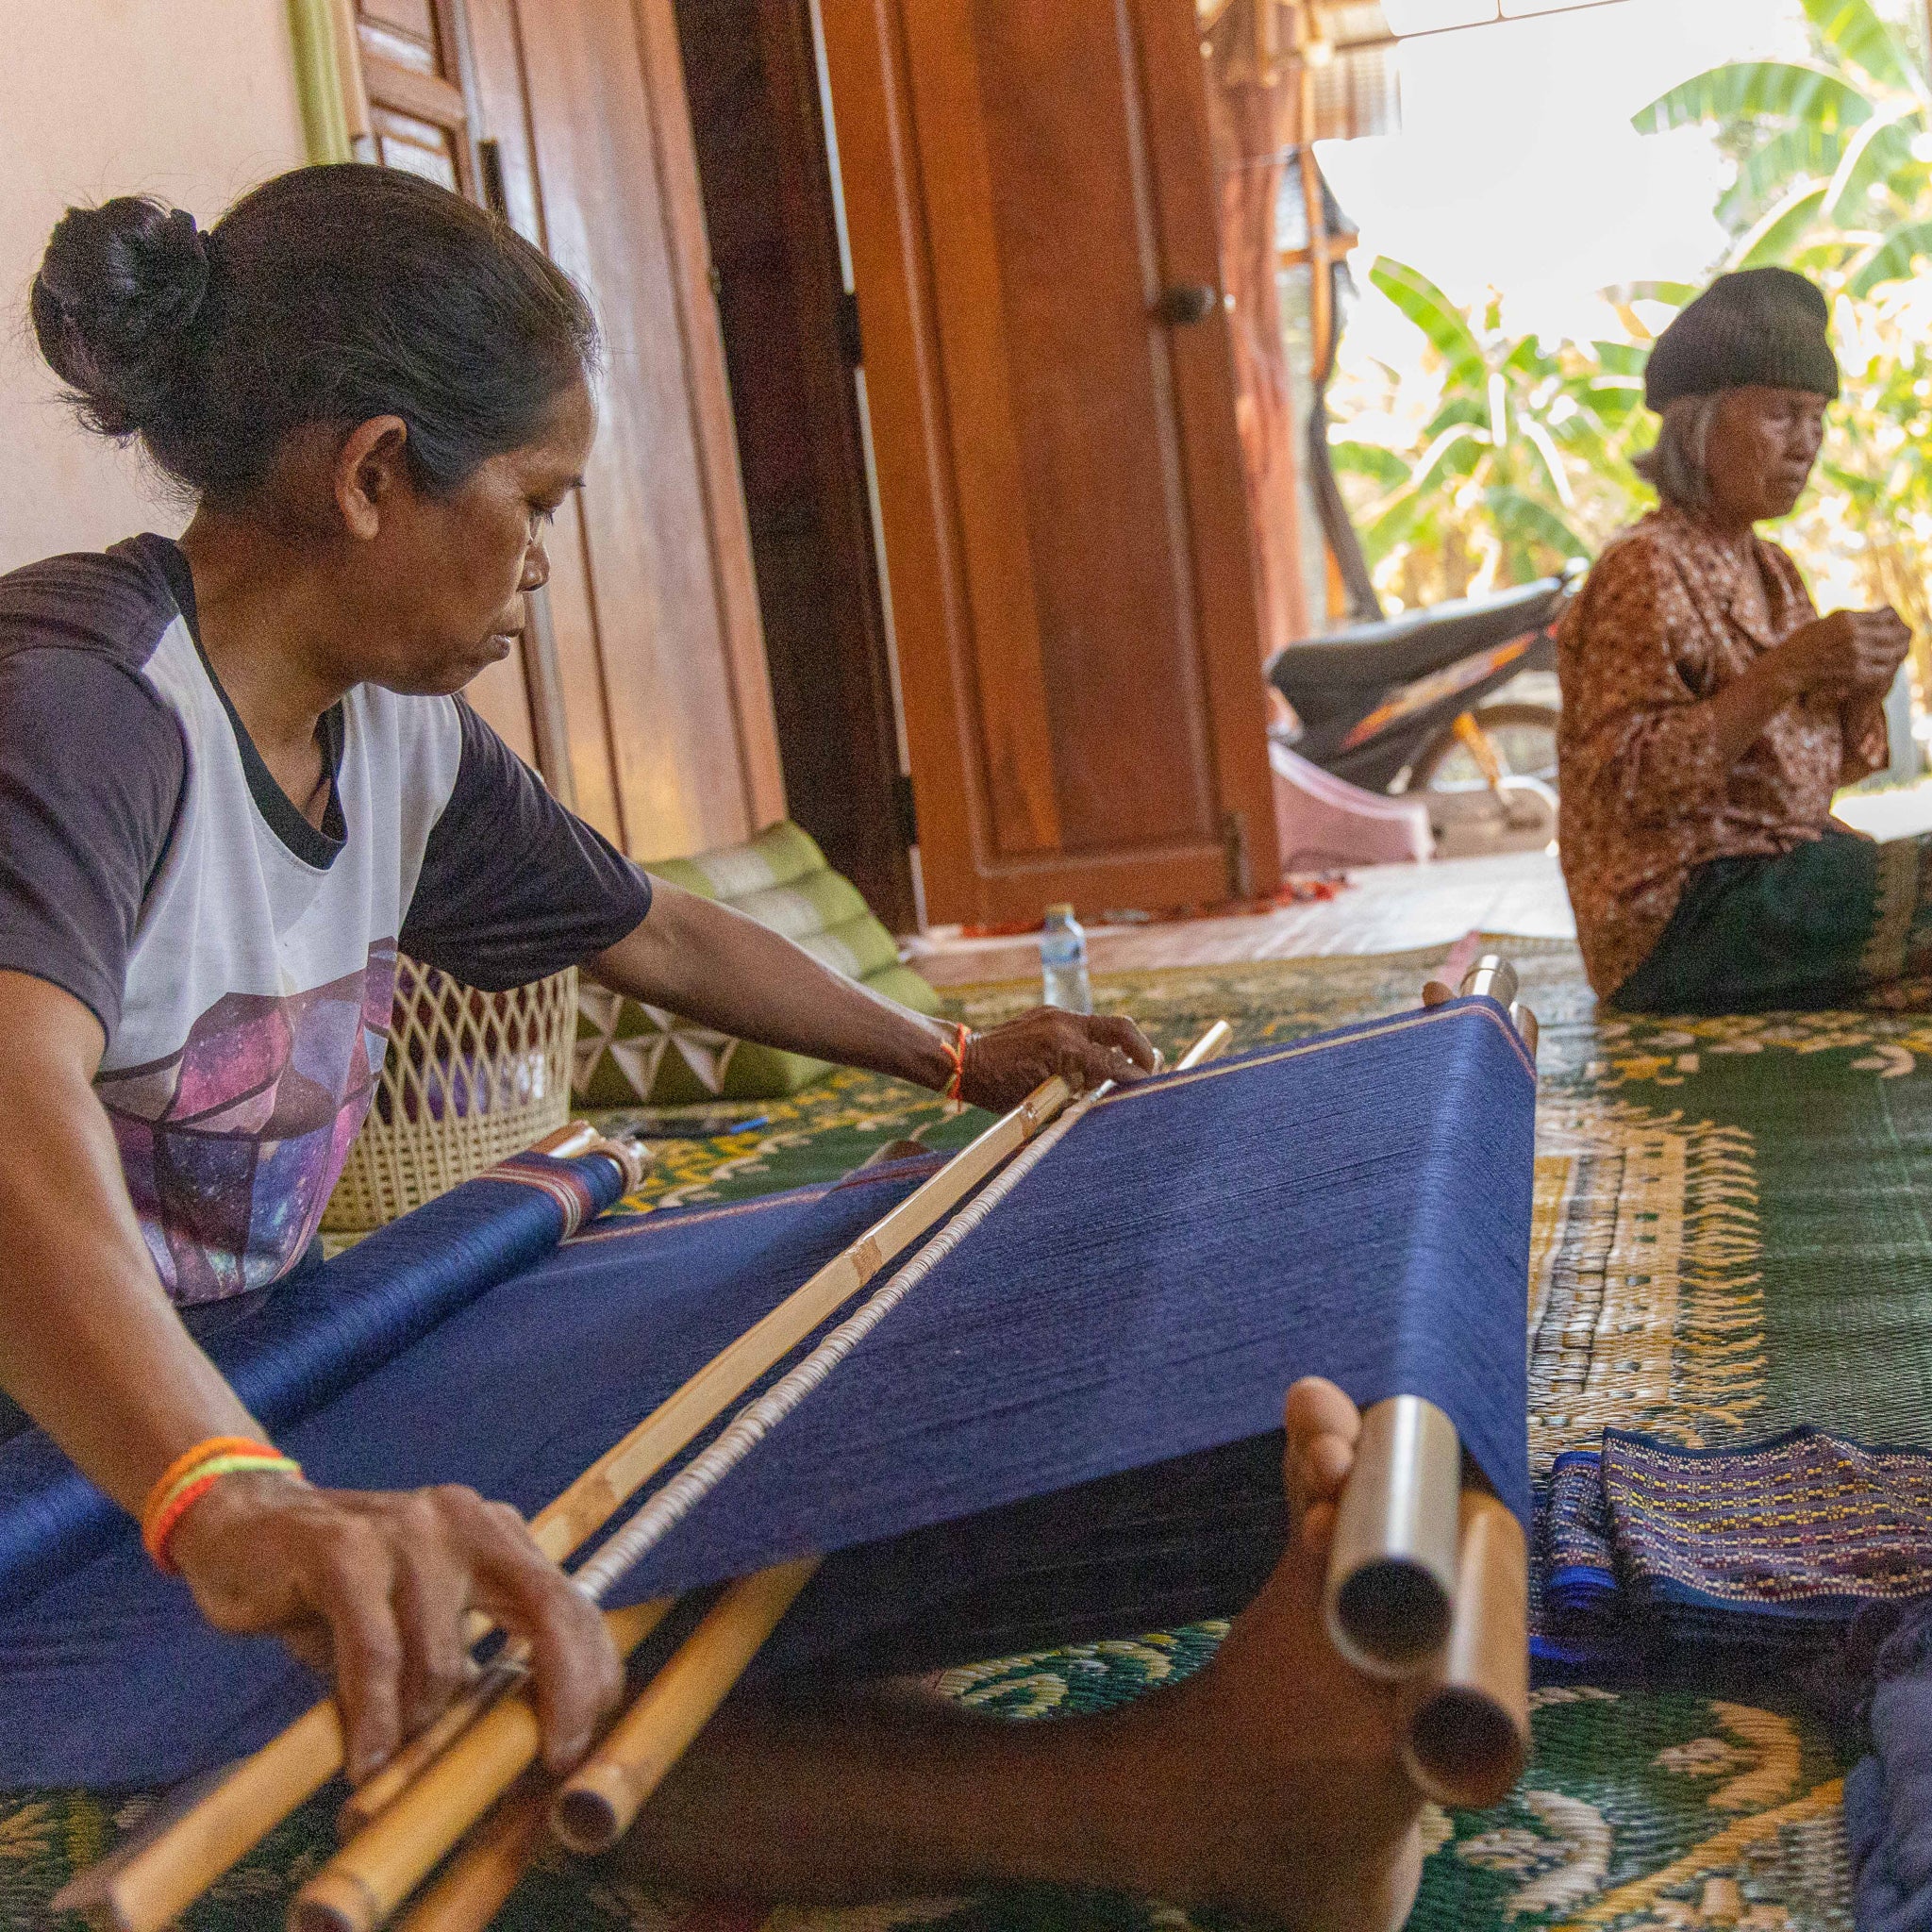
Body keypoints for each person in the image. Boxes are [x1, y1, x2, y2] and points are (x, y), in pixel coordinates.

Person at [2, 167, 1425, 1927]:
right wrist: (223, 1498)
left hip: (263, 1353)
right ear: (374, 476)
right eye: (531, 501)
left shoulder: (392, 740)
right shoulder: (79, 708)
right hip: (49, 1458)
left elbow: (653, 925)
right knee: (419, 1639)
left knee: (728, 1403)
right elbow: (7, 1111)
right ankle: (1176, 1813)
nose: (540, 558)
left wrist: (947, 1057)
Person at [1556, 266, 1917, 1012]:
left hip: (1772, 873)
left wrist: (1860, 687)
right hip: (1675, 913)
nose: (1806, 444)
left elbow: (1813, 778)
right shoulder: (1644, 567)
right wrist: (1784, 673)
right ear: (1701, 421)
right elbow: (1626, 789)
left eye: (1817, 419)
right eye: (1784, 415)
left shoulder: (1773, 570)